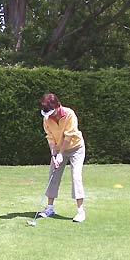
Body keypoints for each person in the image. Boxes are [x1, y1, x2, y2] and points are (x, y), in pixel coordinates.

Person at [39, 93, 86, 222]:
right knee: (53, 176)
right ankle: (49, 208)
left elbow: (68, 135)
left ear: (57, 106)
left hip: (76, 148)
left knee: (76, 177)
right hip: (58, 149)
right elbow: (50, 138)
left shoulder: (69, 114)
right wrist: (54, 155)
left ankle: (80, 211)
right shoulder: (47, 118)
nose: (49, 116)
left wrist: (61, 154)